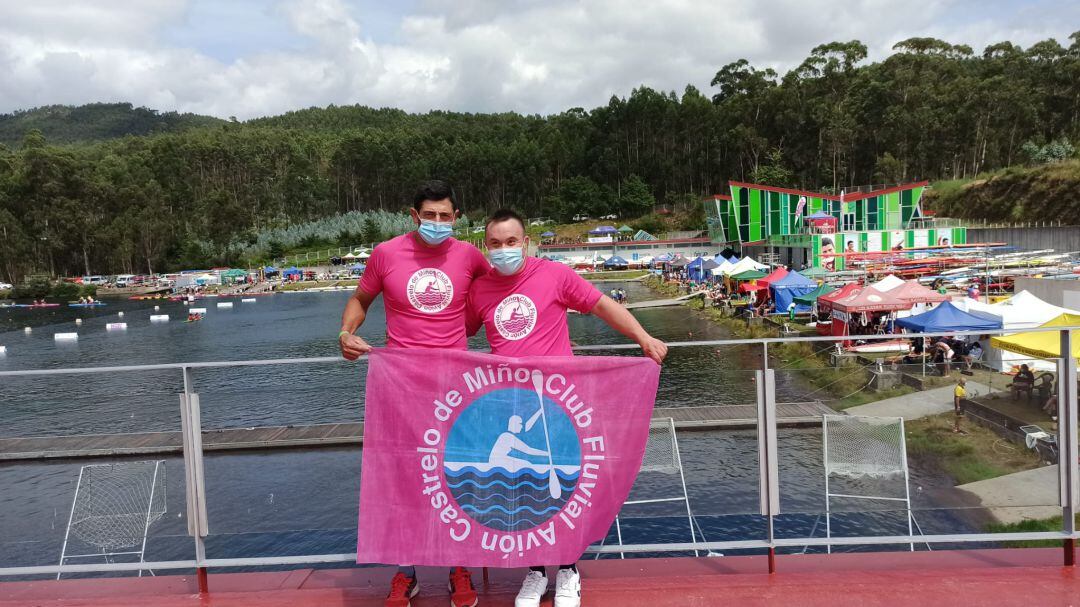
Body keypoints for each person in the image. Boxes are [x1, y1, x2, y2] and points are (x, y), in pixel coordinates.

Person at [466, 209, 667, 607]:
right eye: (495, 243)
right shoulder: (480, 290)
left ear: (525, 242)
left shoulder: (554, 275)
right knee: (523, 489)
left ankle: (570, 571)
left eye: (511, 242)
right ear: (485, 246)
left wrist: (642, 337)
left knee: (564, 490)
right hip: (510, 404)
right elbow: (455, 333)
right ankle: (537, 571)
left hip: (562, 402)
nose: (504, 249)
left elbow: (602, 306)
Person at [338, 180, 491, 607]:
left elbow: (504, 291)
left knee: (459, 477)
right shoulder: (386, 253)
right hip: (401, 386)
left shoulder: (469, 256)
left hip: (457, 387)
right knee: (405, 480)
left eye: (446, 216)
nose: (438, 223)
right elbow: (359, 299)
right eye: (430, 215)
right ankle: (407, 573)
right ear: (413, 215)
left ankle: (458, 567)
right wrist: (346, 333)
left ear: (457, 218)